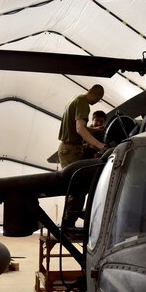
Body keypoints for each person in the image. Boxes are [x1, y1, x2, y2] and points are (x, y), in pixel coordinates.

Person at [57, 85, 105, 228]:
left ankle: (68, 222)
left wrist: (94, 129)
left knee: (76, 188)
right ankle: (67, 226)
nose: (97, 102)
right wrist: (99, 145)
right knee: (78, 188)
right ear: (96, 96)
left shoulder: (76, 99)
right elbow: (79, 128)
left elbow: (76, 125)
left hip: (69, 148)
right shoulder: (84, 104)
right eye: (98, 99)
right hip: (71, 149)